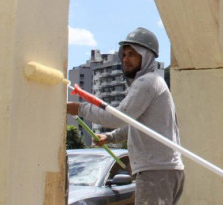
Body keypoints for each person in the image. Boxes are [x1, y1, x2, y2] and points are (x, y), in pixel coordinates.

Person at [67, 27, 184, 205]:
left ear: (146, 57)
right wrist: (110, 137)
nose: (125, 59)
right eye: (125, 54)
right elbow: (136, 124)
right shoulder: (154, 82)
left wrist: (80, 109)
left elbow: (117, 118)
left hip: (155, 171)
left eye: (132, 54)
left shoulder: (146, 82)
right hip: (166, 170)